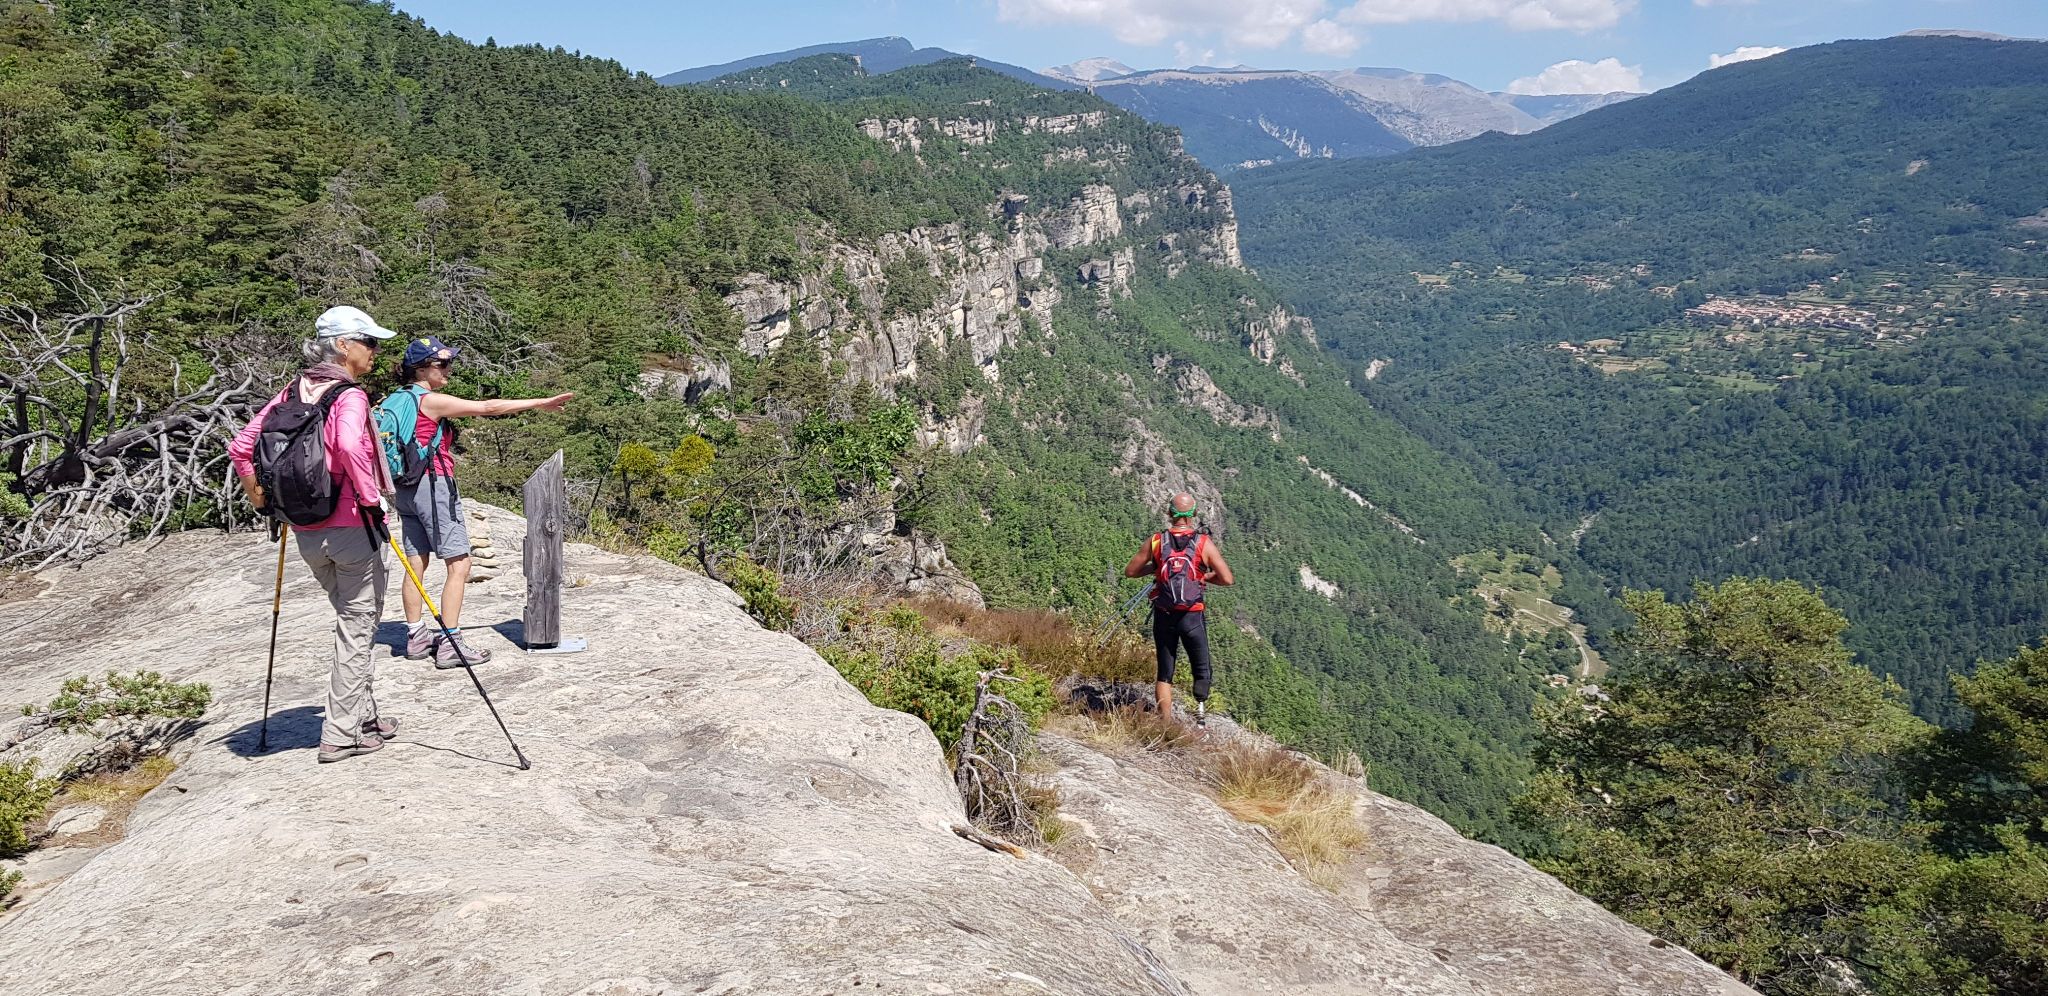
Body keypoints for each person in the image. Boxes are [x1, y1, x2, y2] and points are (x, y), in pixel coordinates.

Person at [230, 306, 398, 763]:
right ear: (344, 346)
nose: (375, 351)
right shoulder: (349, 395)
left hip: (305, 530)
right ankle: (342, 734)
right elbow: (346, 446)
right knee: (358, 628)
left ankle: (363, 715)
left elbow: (241, 447)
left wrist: (261, 500)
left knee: (351, 622)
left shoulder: (292, 391)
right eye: (370, 342)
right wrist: (371, 498)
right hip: (351, 527)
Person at [386, 335, 573, 666]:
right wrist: (540, 403)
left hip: (405, 487)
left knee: (417, 563)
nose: (448, 370)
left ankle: (416, 636)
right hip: (433, 486)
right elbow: (488, 408)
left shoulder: (395, 399)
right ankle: (449, 643)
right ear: (421, 369)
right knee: (460, 564)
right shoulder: (429, 401)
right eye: (441, 365)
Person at [1123, 493, 1234, 726]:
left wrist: (1157, 569)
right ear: (1193, 515)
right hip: (1192, 615)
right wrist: (1201, 574)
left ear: (1169, 514)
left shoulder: (1156, 541)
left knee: (1165, 671)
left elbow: (1131, 571)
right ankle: (1201, 718)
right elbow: (1227, 579)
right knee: (1201, 666)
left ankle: (1163, 723)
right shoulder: (1203, 543)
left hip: (1164, 613)